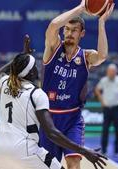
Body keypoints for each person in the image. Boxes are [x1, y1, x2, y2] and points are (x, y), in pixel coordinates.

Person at [0, 36, 107, 169]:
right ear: (29, 73)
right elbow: (51, 132)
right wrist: (85, 151)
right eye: (34, 66)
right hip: (25, 148)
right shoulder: (37, 94)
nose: (37, 69)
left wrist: (23, 57)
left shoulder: (6, 83)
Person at [40, 0, 114, 168]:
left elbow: (102, 56)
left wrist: (101, 23)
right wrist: (81, 8)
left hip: (72, 119)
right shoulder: (53, 49)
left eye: (74, 30)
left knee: (74, 163)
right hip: (48, 118)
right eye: (66, 29)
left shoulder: (86, 57)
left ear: (82, 34)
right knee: (47, 166)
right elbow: (52, 26)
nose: (69, 33)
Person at [95, 64, 118, 155]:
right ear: (107, 72)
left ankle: (117, 150)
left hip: (117, 109)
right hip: (107, 108)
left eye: (112, 71)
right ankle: (103, 150)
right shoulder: (103, 80)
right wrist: (101, 101)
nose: (111, 73)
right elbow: (97, 89)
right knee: (105, 130)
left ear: (115, 72)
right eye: (109, 71)